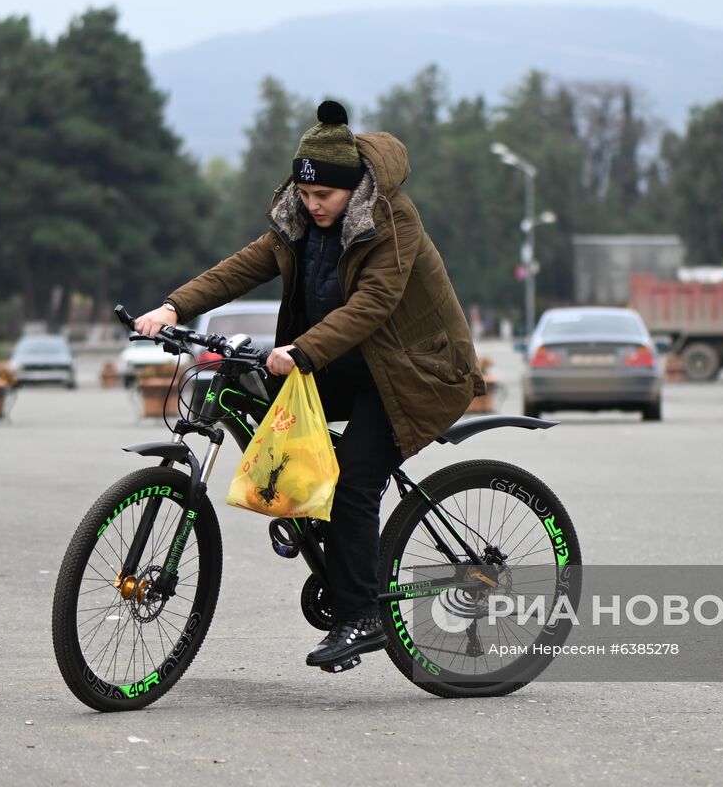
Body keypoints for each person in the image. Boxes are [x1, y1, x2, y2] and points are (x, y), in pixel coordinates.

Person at [135, 100, 485, 671]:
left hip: (416, 372)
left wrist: (302, 349)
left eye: (325, 196)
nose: (313, 204)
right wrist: (173, 307)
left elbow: (374, 303)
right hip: (350, 364)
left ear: (352, 190)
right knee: (274, 418)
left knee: (352, 484)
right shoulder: (298, 219)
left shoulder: (392, 223)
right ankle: (315, 513)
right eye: (305, 193)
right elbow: (242, 266)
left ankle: (365, 616)